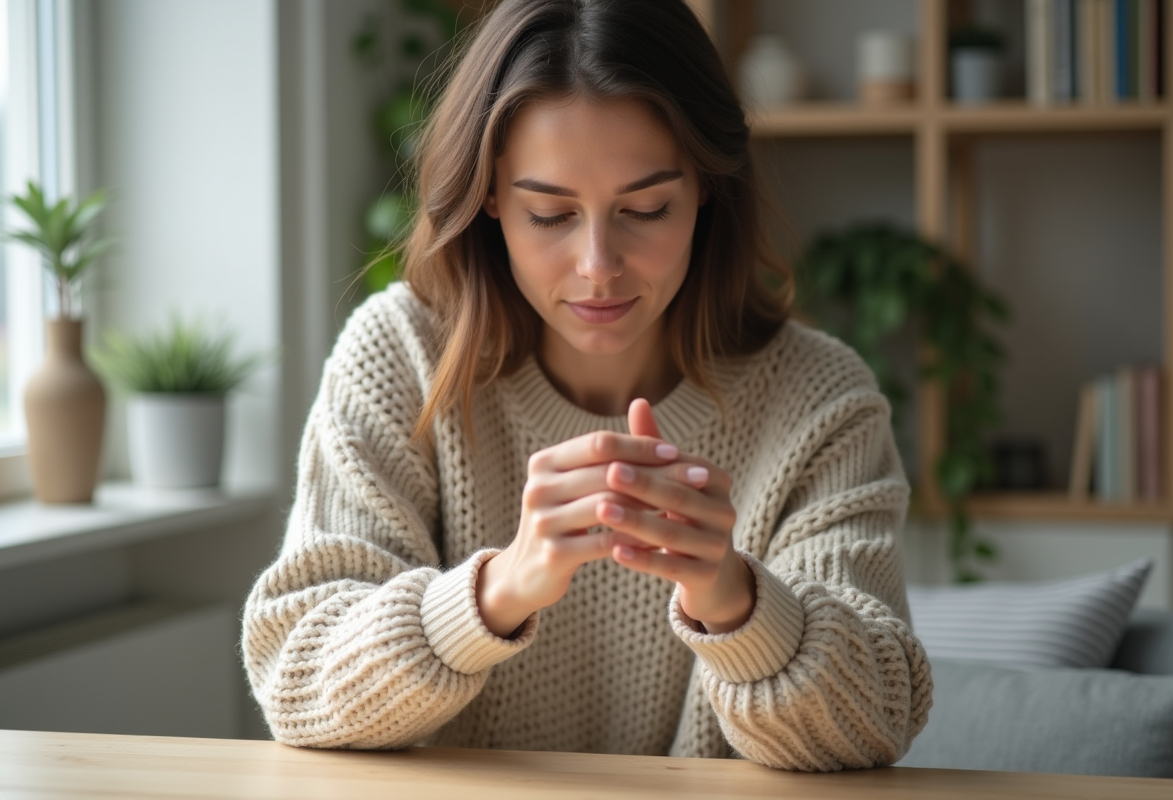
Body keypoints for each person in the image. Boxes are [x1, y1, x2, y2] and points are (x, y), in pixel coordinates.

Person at [241, 0, 931, 771]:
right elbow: (294, 677)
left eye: (645, 208)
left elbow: (875, 721)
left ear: (706, 189)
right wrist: (495, 593)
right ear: (491, 197)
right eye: (549, 213)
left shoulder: (821, 398)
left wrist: (736, 600)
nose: (598, 264)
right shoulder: (401, 355)